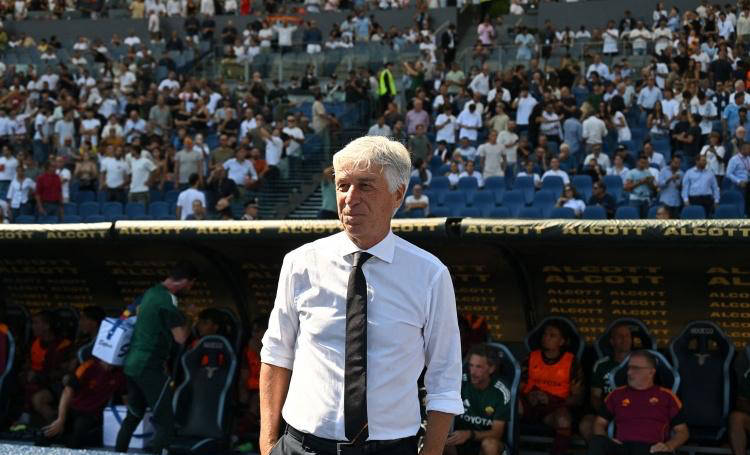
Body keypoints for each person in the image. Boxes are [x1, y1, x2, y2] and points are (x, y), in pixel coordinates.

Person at [259, 136, 462, 455]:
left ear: (398, 194)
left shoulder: (430, 275)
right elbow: (276, 354)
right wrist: (268, 445)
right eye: (343, 186)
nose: (350, 199)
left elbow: (444, 377)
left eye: (365, 186)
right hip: (301, 445)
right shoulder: (300, 263)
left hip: (390, 448)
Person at [115, 261, 199, 454]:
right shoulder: (168, 300)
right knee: (166, 422)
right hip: (149, 366)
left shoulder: (150, 293)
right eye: (191, 285)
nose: (190, 289)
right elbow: (181, 337)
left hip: (132, 364)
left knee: (134, 414)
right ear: (185, 281)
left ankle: (118, 452)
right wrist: (191, 317)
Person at [587, 350, 689, 455]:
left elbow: (683, 431)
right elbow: (599, 423)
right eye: (629, 368)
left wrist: (668, 446)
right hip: (622, 447)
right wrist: (607, 440)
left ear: (651, 372)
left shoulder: (667, 396)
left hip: (652, 449)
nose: (629, 372)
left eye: (635, 368)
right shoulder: (616, 394)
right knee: (597, 442)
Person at [520, 320, 583, 455]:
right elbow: (517, 387)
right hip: (529, 404)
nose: (546, 338)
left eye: (552, 335)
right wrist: (529, 395)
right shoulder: (531, 357)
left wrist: (551, 400)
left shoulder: (571, 362)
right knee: (511, 407)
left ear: (562, 341)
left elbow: (577, 398)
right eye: (545, 334)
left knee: (563, 420)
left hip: (553, 408)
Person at [37, 357, 126, 449]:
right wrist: (61, 419)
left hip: (91, 414)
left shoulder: (120, 374)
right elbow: (67, 391)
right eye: (106, 362)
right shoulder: (88, 366)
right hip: (72, 407)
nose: (108, 366)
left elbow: (125, 395)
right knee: (47, 433)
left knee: (76, 440)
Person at [444, 344, 510, 455]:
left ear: (491, 369)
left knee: (490, 445)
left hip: (485, 443)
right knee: (439, 441)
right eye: (471, 366)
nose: (473, 372)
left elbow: (497, 433)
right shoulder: (460, 383)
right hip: (459, 441)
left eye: (478, 367)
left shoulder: (500, 391)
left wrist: (469, 434)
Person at [579, 323, 633, 441]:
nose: (624, 339)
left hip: (633, 412)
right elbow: (595, 396)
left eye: (627, 336)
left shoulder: (640, 362)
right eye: (620, 336)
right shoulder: (602, 365)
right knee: (586, 425)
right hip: (606, 411)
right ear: (612, 341)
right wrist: (606, 413)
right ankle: (602, 449)